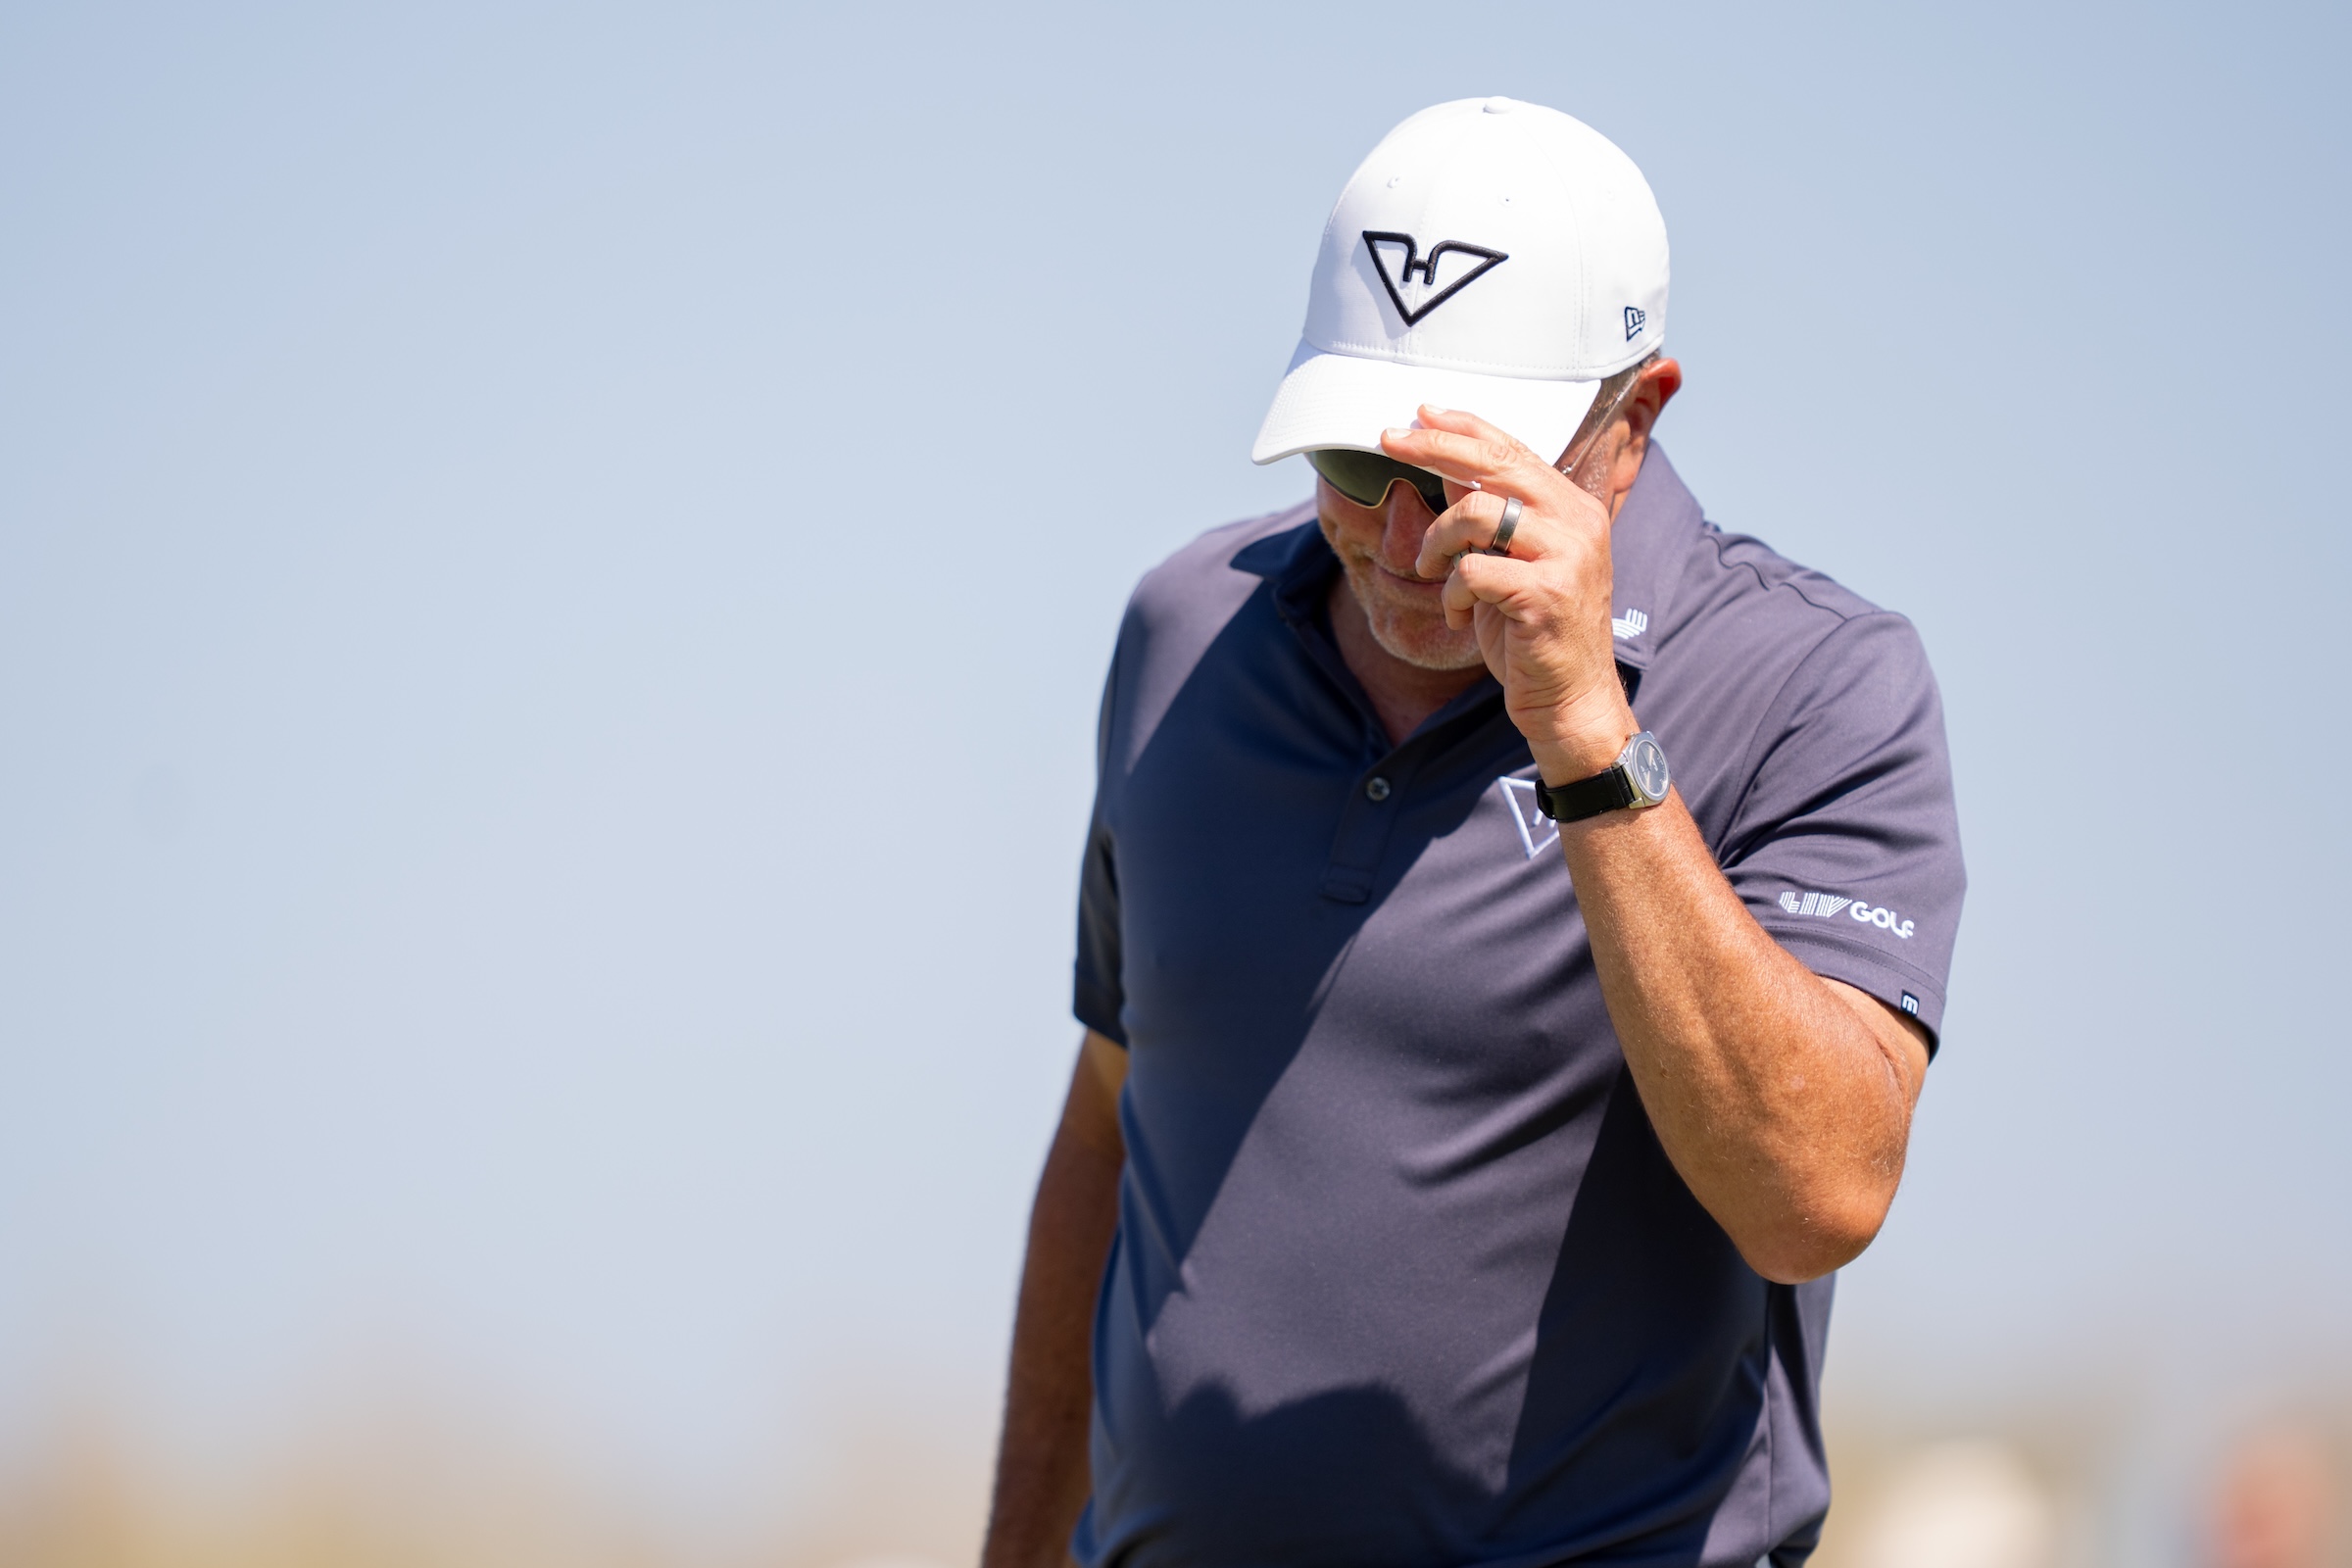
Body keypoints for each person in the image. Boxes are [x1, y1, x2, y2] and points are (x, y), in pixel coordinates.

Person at [981, 97, 1965, 1568]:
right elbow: (1114, 1119)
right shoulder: (1182, 630)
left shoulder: (1818, 681)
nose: (1394, 543)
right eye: (1354, 466)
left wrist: (1590, 740)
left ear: (1631, 425)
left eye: (1457, 488)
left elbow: (1816, 1198)